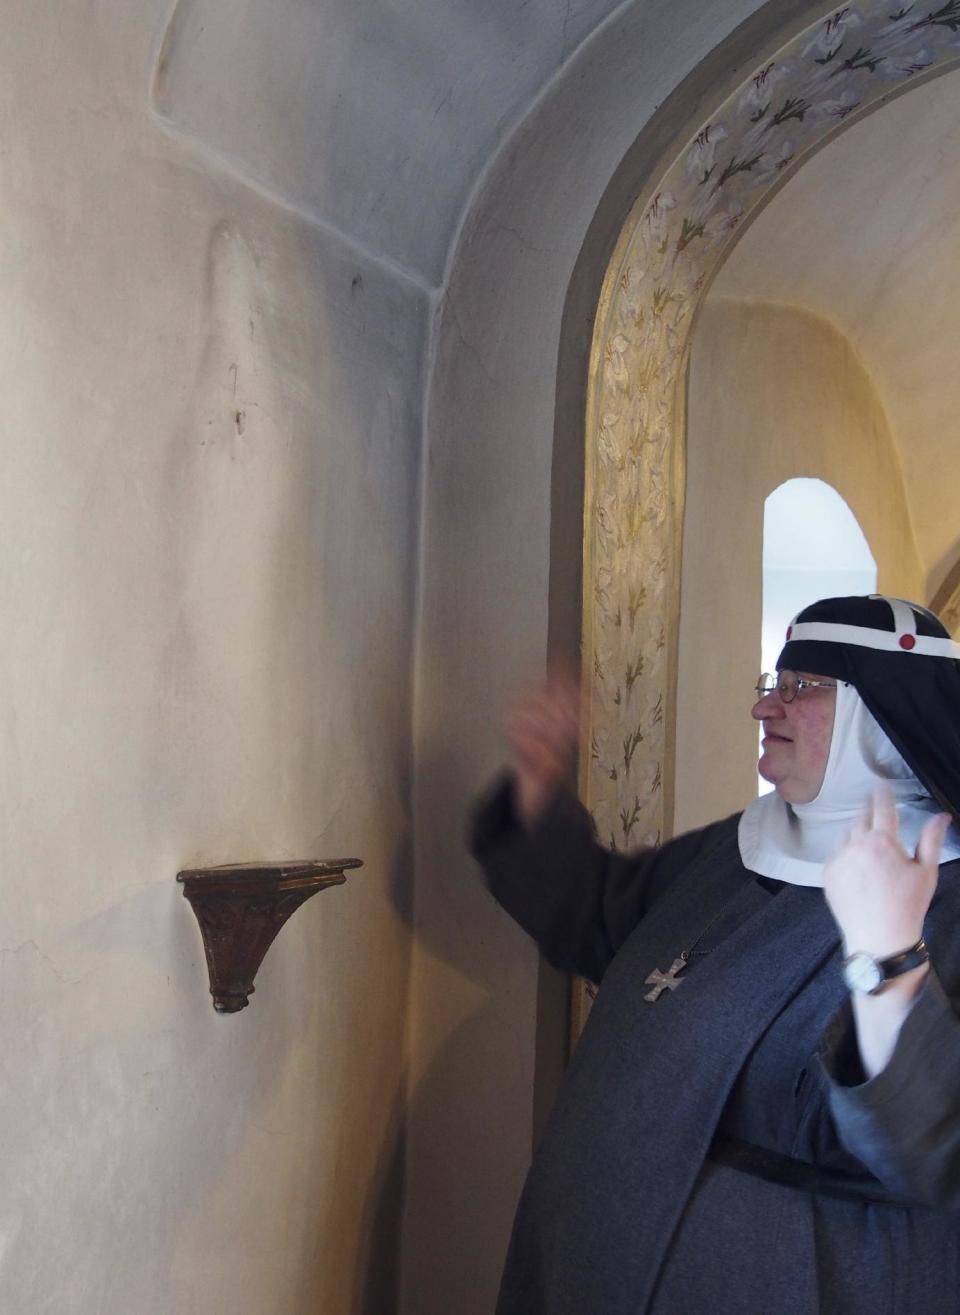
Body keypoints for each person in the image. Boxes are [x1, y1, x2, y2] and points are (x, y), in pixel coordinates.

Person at [470, 595, 960, 1315]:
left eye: (800, 688)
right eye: (773, 684)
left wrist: (890, 957)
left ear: (877, 721)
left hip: (793, 1279)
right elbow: (608, 921)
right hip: (588, 1258)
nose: (766, 709)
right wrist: (537, 800)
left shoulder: (942, 895)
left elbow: (937, 1144)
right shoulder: (743, 843)